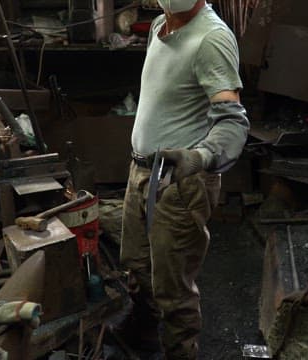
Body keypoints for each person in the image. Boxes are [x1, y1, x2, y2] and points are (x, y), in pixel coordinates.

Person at [120, 0, 249, 358]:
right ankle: (144, 339)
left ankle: (180, 351)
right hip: (142, 171)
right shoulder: (162, 24)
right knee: (137, 265)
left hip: (180, 182)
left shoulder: (211, 38)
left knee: (173, 290)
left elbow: (232, 122)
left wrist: (200, 157)